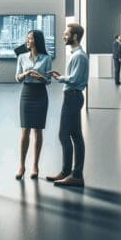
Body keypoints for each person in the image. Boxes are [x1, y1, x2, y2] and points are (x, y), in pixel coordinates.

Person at [47, 23, 89, 188]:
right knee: (75, 136)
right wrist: (63, 76)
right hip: (73, 96)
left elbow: (74, 79)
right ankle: (69, 173)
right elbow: (74, 77)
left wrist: (60, 78)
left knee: (65, 135)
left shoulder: (78, 56)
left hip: (72, 96)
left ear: (75, 36)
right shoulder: (77, 54)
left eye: (66, 34)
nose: (64, 36)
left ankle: (74, 174)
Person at [14, 30, 52, 180]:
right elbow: (17, 78)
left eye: (29, 39)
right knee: (25, 131)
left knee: (38, 131)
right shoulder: (22, 57)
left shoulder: (46, 58)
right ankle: (22, 165)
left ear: (36, 41)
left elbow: (49, 80)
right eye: (27, 38)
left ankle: (35, 165)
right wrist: (26, 74)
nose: (27, 41)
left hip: (40, 94)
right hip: (26, 94)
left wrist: (41, 77)